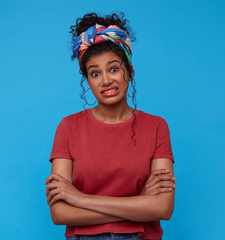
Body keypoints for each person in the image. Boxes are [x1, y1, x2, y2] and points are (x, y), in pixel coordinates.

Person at [45, 13, 176, 240]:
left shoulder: (156, 127)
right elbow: (59, 213)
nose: (105, 81)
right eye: (95, 73)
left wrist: (80, 199)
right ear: (88, 80)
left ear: (130, 71)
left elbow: (163, 208)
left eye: (113, 69)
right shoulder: (68, 127)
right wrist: (139, 204)